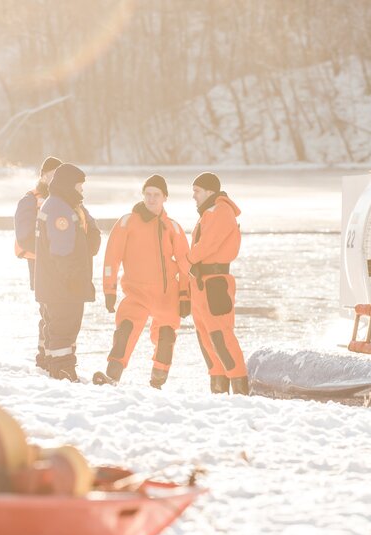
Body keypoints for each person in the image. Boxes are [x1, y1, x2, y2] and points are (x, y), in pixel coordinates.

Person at [93, 174, 191, 389]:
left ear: (165, 197)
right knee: (124, 332)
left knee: (166, 338)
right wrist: (109, 291)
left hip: (167, 295)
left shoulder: (172, 227)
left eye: (156, 195)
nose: (151, 199)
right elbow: (112, 258)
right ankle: (112, 376)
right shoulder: (128, 222)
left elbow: (186, 265)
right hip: (136, 293)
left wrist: (185, 295)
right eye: (148, 194)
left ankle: (157, 382)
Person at [34, 163, 101, 381]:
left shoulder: (65, 204)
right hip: (61, 287)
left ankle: (59, 367)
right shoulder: (58, 210)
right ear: (69, 186)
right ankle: (62, 371)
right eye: (79, 187)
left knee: (62, 327)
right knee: (64, 327)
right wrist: (72, 279)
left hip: (58, 285)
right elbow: (61, 251)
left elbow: (88, 229)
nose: (81, 192)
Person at [187, 172, 248, 395]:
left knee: (221, 336)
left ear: (210, 191)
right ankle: (219, 391)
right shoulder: (208, 213)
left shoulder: (221, 210)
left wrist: (187, 259)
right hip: (201, 283)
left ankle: (241, 392)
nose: (193, 196)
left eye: (197, 191)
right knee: (206, 338)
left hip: (215, 284)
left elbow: (208, 245)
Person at [14, 156, 63, 370]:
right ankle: (45, 356)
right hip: (39, 266)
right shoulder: (29, 201)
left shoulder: (64, 201)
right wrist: (48, 251)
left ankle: (49, 354)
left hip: (59, 265)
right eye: (51, 176)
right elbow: (24, 236)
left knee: (57, 310)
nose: (54, 182)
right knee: (48, 310)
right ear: (43, 176)